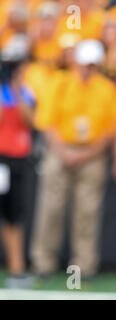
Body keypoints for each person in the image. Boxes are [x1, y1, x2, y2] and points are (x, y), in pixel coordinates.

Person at [31, 39, 116, 280]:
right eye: (84, 63)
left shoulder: (106, 89)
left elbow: (110, 131)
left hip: (92, 153)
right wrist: (64, 151)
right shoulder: (59, 82)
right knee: (51, 208)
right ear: (76, 62)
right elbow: (46, 123)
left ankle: (84, 265)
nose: (88, 69)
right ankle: (43, 262)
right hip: (60, 149)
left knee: (87, 212)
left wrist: (86, 154)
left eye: (92, 64)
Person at [0, 47, 35, 288]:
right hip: (1, 159)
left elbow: (30, 121)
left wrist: (15, 90)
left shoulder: (25, 92)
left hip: (19, 159)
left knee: (14, 215)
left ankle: (16, 267)